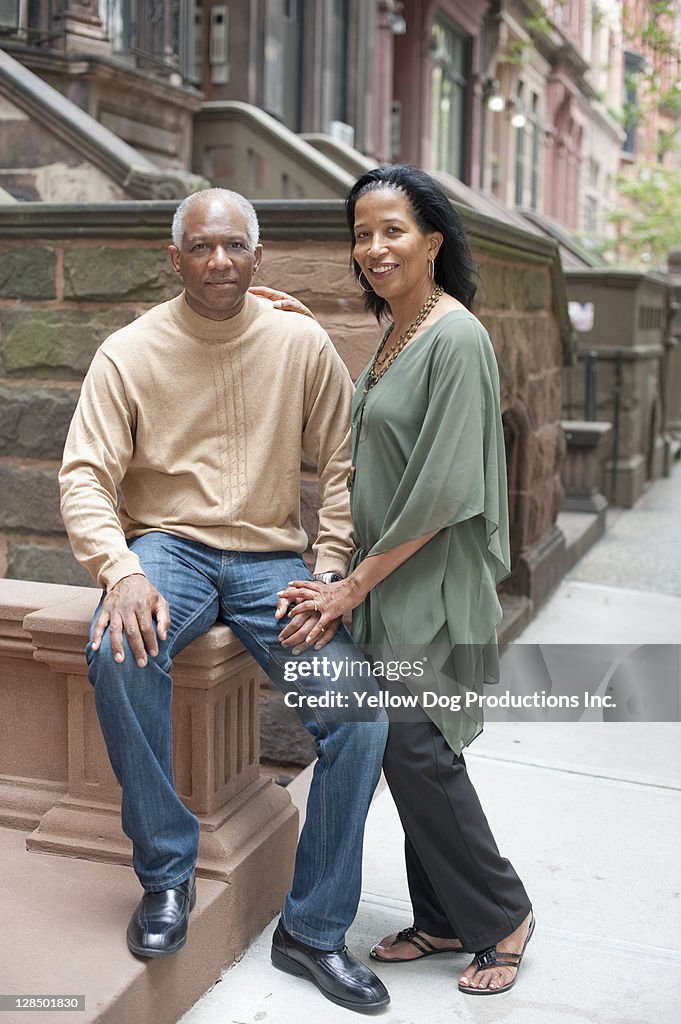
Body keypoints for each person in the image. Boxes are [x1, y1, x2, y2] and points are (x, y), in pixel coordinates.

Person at [58, 187, 390, 1014]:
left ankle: (311, 931)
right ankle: (166, 875)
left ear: (257, 257)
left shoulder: (298, 341)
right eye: (202, 248)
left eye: (234, 246)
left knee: (360, 714)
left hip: (271, 558)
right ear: (174, 259)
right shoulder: (128, 351)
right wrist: (120, 571)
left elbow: (343, 461)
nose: (219, 261)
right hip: (166, 547)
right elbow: (84, 476)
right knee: (116, 649)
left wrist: (331, 563)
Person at [277, 165, 534, 996]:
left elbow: (441, 491)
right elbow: (372, 424)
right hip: (388, 577)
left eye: (391, 229)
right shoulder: (398, 329)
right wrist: (297, 321)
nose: (373, 246)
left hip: (428, 577)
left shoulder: (456, 337)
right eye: (361, 232)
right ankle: (442, 916)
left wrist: (351, 587)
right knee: (401, 747)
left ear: (432, 238)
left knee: (420, 747)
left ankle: (501, 915)